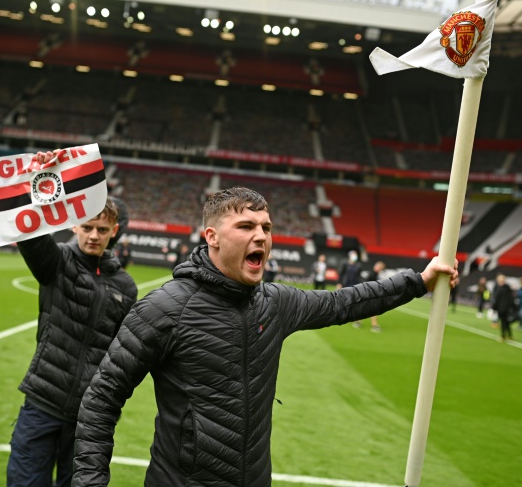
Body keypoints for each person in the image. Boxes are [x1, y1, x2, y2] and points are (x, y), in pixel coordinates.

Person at [72, 186, 458, 486]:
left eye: (266, 228)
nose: (262, 236)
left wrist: (418, 281)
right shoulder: (164, 309)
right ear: (212, 236)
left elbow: (344, 303)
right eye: (246, 227)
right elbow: (102, 399)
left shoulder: (275, 303)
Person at [7, 160, 138, 487]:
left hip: (89, 418)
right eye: (88, 227)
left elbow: (124, 356)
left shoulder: (126, 286)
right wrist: (35, 184)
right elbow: (30, 234)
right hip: (42, 404)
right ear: (75, 226)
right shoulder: (58, 262)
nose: (94, 236)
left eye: (102, 230)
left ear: (114, 233)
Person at [337, 250, 364, 328]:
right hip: (345, 285)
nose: (354, 256)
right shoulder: (345, 263)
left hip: (355, 286)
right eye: (353, 255)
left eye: (355, 255)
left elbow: (359, 276)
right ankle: (342, 317)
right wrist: (339, 283)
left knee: (356, 303)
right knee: (344, 301)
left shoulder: (358, 265)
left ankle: (357, 321)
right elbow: (341, 274)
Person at [491, 273, 516, 342]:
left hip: (501, 308)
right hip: (507, 308)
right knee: (506, 322)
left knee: (503, 322)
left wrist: (493, 308)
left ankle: (503, 336)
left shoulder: (500, 289)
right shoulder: (508, 288)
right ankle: (510, 335)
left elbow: (497, 300)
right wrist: (513, 307)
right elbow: (512, 299)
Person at [364, 260, 386, 332]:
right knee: (373, 309)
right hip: (369, 293)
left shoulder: (375, 274)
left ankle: (374, 324)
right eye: (380, 268)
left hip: (370, 293)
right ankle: (374, 325)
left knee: (368, 309)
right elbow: (369, 284)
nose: (380, 270)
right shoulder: (372, 274)